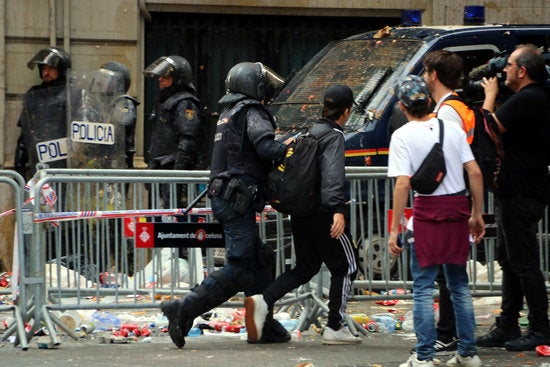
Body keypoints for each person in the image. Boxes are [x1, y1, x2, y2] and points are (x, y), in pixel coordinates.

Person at [160, 61, 291, 348]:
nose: (266, 89)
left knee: (261, 259)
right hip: (236, 197)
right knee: (241, 265)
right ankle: (184, 308)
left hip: (227, 196)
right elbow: (266, 147)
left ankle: (263, 324)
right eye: (262, 84)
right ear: (251, 86)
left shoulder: (229, 113)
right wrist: (293, 146)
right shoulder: (252, 111)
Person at [245, 84, 361, 345]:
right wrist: (338, 210)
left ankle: (263, 300)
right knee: (347, 265)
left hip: (301, 211)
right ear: (346, 110)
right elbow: (333, 175)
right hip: (323, 212)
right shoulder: (333, 135)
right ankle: (335, 325)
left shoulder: (309, 132)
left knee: (306, 267)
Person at [387, 75, 485, 367]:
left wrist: (395, 229)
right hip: (457, 209)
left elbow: (403, 184)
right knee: (459, 285)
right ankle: (468, 353)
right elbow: (475, 172)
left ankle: (425, 356)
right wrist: (476, 213)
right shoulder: (452, 129)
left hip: (427, 212)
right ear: (429, 101)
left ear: (402, 106)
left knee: (423, 287)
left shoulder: (402, 136)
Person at [476, 44, 550, 351]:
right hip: (515, 189)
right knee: (509, 259)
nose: (502, 70)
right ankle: (507, 325)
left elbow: (489, 128)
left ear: (522, 70)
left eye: (508, 65)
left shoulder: (530, 98)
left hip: (521, 191)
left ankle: (541, 328)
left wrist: (490, 97)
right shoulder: (530, 98)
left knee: (525, 262)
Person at [420, 49, 469, 355]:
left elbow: (452, 159)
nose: (424, 78)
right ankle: (459, 339)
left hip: (447, 201)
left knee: (447, 277)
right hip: (456, 198)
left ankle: (449, 335)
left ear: (434, 75)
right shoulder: (457, 107)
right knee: (450, 276)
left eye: (426, 72)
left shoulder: (447, 111)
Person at [143, 55, 203, 207]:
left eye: (166, 77)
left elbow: (187, 140)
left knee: (172, 219)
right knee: (155, 218)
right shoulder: (164, 101)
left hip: (172, 169)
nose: (160, 80)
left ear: (178, 78)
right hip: (160, 169)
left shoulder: (185, 103)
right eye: (160, 76)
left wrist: (178, 174)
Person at [15, 47, 71, 180]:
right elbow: (25, 134)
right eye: (44, 69)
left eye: (51, 68)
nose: (47, 72)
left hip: (67, 162)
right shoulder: (34, 94)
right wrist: (19, 168)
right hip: (40, 161)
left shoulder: (72, 94)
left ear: (61, 70)